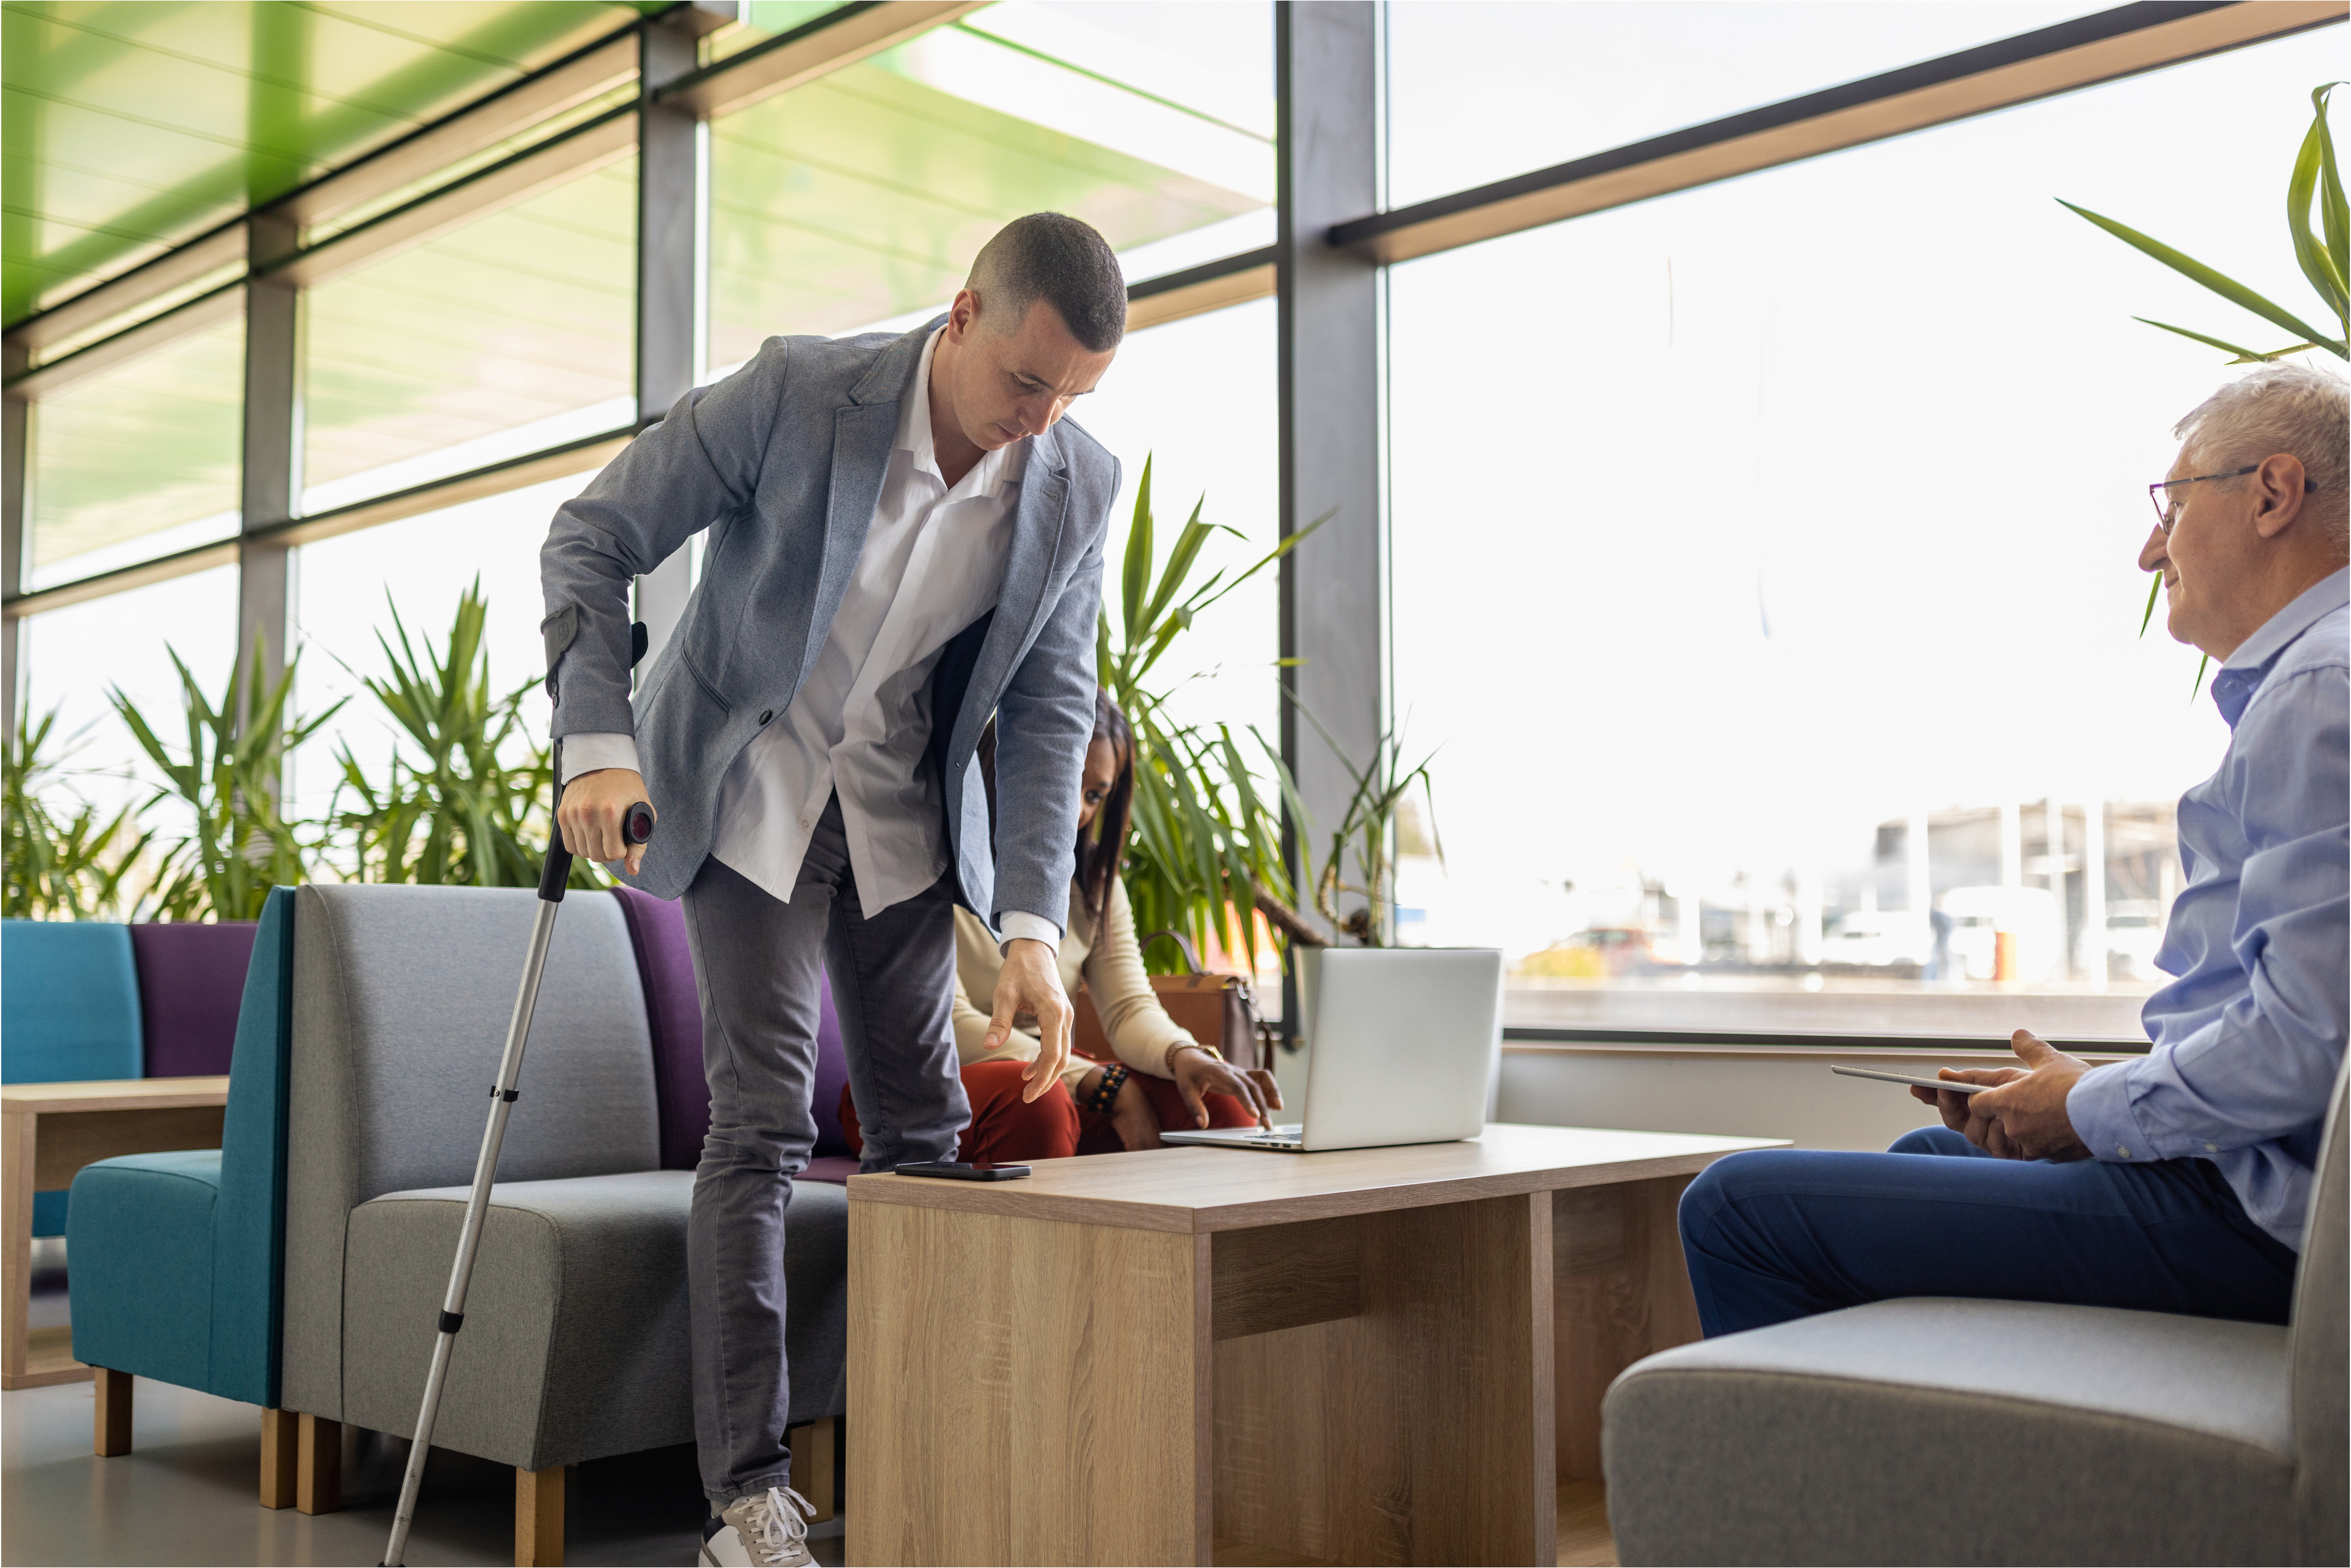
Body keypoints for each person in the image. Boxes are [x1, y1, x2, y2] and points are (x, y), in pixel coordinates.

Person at [540, 214, 1128, 1567]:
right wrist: (597, 743)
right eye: (1027, 384)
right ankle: (745, 1501)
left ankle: (923, 1452)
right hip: (750, 791)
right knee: (762, 1119)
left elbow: (1048, 708)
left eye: (1076, 396)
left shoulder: (1074, 485)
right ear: (964, 313)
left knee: (927, 1139)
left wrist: (1034, 926)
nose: (1042, 422)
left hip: (900, 821)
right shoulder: (801, 393)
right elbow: (594, 533)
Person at [1680, 361, 2348, 1338]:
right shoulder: (2309, 684)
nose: (2146, 549)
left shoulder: (2316, 690)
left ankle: (1814, 1490)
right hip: (2260, 1185)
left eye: (2169, 500)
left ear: (2271, 493)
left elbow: (2305, 1046)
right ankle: (1962, 1477)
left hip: (2263, 1228)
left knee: (1733, 1207)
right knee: (1922, 1154)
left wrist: (2087, 1108)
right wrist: (2079, 1093)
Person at [838, 691, 1284, 1162]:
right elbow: (950, 1023)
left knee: (1220, 1104)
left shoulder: (1092, 884)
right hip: (914, 1084)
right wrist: (1100, 1083)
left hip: (1050, 1079)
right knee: (1039, 1100)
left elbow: (1128, 1007)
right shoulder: (926, 859)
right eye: (1063, 782)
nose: (1074, 812)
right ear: (1007, 764)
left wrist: (1182, 1053)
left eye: (1094, 795)